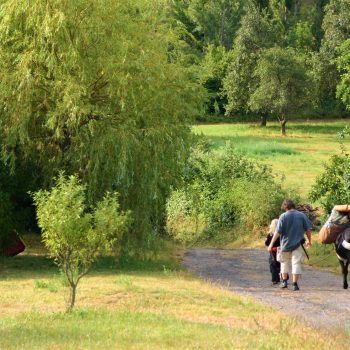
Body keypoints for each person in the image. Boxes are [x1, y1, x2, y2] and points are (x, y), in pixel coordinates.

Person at [268, 199, 312, 291]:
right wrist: (309, 240)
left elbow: (278, 231)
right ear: (293, 206)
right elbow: (308, 230)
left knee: (284, 263)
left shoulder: (283, 216)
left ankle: (284, 282)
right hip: (297, 245)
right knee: (296, 264)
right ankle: (295, 284)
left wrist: (271, 244)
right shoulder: (301, 215)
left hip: (285, 245)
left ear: (285, 207)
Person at [265, 219, 280, 284]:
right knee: (281, 264)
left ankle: (275, 279)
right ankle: (284, 276)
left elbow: (266, 243)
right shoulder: (281, 234)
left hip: (273, 251)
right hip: (281, 250)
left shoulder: (270, 234)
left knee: (273, 265)